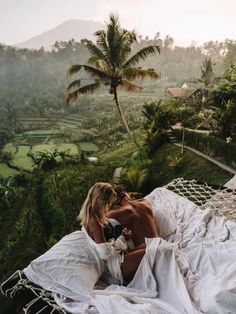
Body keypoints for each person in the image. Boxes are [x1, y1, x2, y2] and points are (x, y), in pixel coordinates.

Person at [79, 182, 146, 283]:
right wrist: (123, 237)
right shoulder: (94, 221)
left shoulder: (97, 217)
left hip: (121, 256)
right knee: (157, 251)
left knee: (154, 243)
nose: (109, 206)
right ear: (101, 202)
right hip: (116, 265)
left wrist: (122, 236)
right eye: (108, 203)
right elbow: (106, 254)